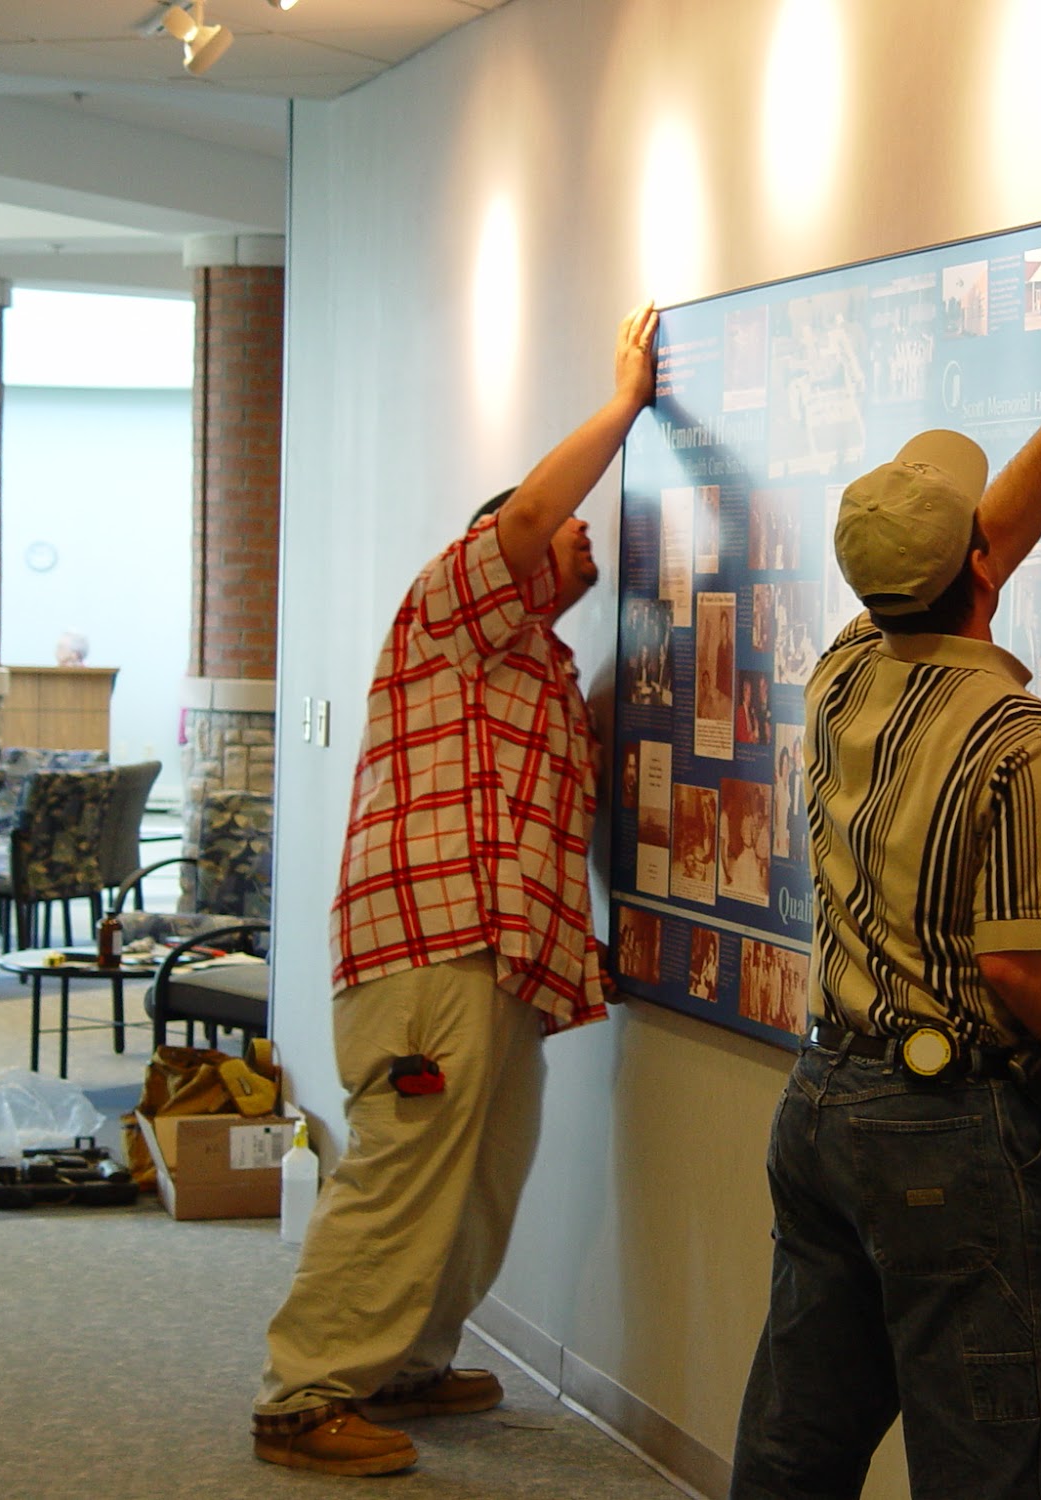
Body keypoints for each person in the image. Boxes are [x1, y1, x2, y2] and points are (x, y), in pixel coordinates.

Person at [729, 246, 1041, 1500]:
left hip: (821, 1104)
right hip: (942, 1136)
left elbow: (972, 552)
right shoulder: (1023, 740)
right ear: (980, 569)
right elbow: (1022, 970)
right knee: (1007, 1459)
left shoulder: (839, 672)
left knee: (797, 1449)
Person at [250, 305, 661, 1476]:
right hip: (427, 953)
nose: (579, 535)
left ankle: (405, 1365)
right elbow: (526, 517)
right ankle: (301, 1395)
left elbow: (563, 814)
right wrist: (624, 402)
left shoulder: (537, 672)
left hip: (502, 963)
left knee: (479, 1179)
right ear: (497, 553)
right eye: (563, 527)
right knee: (403, 1171)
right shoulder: (446, 612)